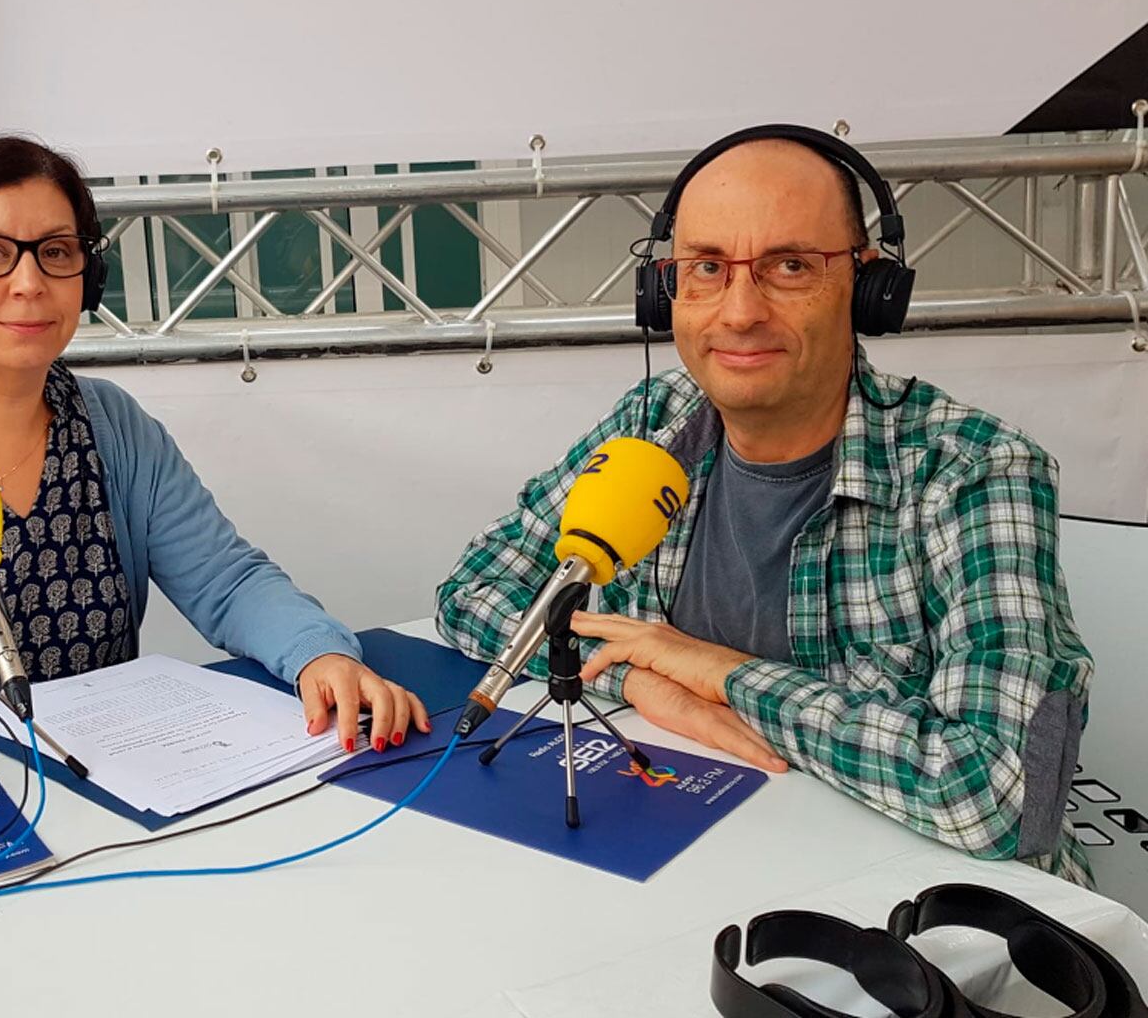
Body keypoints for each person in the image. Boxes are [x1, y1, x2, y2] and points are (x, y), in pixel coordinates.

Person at [436, 125, 1094, 883]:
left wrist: (718, 671)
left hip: (927, 918)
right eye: (707, 267)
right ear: (665, 292)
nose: (740, 311)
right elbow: (474, 592)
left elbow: (1004, 798)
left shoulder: (973, 470)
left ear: (870, 286)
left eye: (789, 265)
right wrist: (637, 676)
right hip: (707, 868)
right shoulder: (655, 423)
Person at [0, 135, 427, 828]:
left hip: (97, 816)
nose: (29, 282)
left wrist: (319, 650)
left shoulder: (113, 424)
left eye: (56, 252)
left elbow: (228, 580)